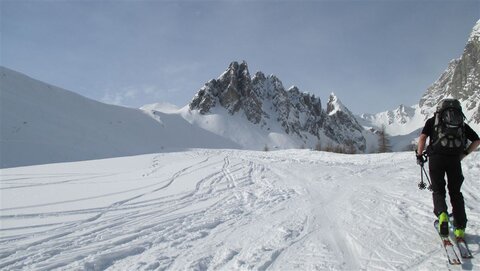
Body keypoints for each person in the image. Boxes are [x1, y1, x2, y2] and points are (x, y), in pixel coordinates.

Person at [417, 98, 480, 238]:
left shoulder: (432, 120)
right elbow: (477, 140)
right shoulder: (460, 123)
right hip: (454, 160)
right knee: (456, 193)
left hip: (435, 158)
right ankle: (459, 228)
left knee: (438, 190)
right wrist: (463, 154)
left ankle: (442, 215)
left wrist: (419, 155)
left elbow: (422, 139)